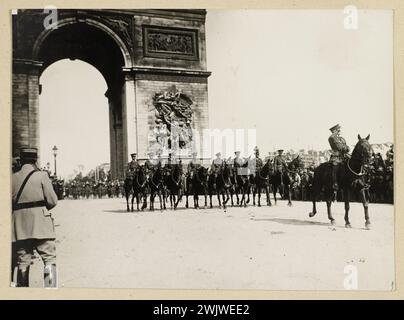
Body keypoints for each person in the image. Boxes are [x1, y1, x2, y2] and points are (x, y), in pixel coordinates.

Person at [12, 147, 58, 287]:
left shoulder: (13, 177)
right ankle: (50, 292)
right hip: (41, 224)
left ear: (21, 159)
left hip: (19, 225)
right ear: (35, 160)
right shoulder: (42, 175)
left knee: (23, 261)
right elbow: (52, 201)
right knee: (49, 258)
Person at [328, 124, 350, 193]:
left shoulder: (342, 138)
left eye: (339, 130)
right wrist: (345, 148)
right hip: (336, 156)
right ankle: (335, 183)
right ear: (334, 131)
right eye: (338, 130)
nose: (339, 131)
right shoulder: (332, 138)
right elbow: (339, 147)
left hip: (345, 155)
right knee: (335, 166)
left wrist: (346, 149)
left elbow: (347, 147)